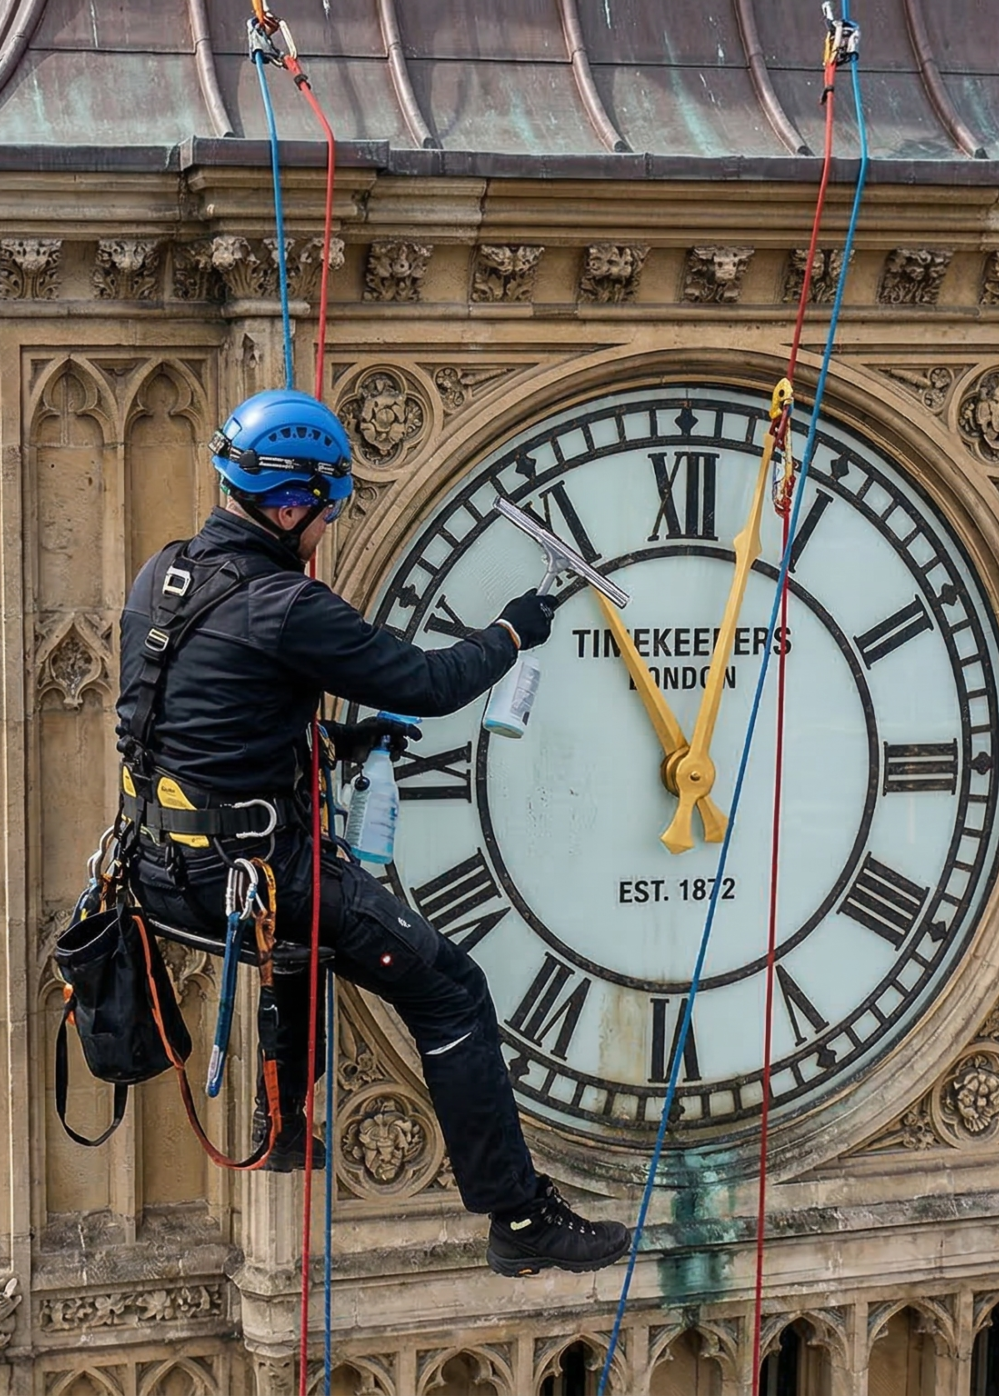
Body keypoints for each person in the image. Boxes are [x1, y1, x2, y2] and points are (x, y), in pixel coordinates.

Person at [112, 388, 631, 1277]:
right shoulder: (284, 603)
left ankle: (284, 1122)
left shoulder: (164, 574)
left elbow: (198, 721)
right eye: (328, 507)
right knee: (452, 991)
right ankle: (518, 1215)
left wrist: (332, 740)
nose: (328, 525)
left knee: (305, 940)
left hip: (159, 866)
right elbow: (428, 683)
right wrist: (513, 633)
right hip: (251, 875)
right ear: (289, 505)